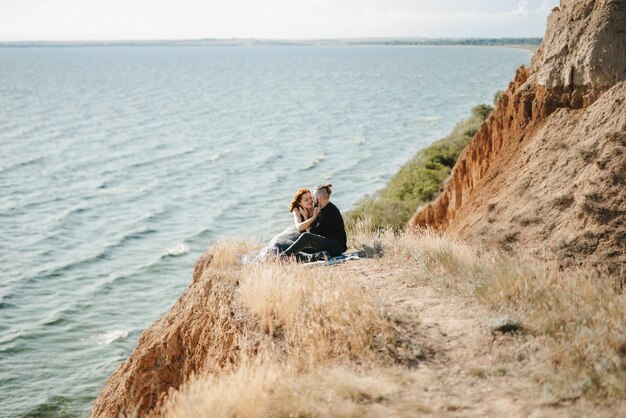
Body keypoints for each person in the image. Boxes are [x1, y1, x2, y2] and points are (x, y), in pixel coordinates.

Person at [281, 183, 347, 258]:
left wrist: (310, 217)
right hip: (330, 246)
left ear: (318, 198)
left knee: (306, 236)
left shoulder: (330, 211)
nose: (312, 200)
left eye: (313, 197)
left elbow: (311, 234)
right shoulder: (322, 209)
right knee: (300, 250)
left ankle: (283, 257)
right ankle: (316, 256)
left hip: (337, 248)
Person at [266, 188, 320, 254]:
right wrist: (312, 217)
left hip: (312, 233)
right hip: (300, 233)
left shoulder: (315, 207)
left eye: (311, 198)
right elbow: (299, 227)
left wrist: (306, 217)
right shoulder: (296, 209)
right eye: (306, 200)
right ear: (299, 203)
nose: (310, 201)